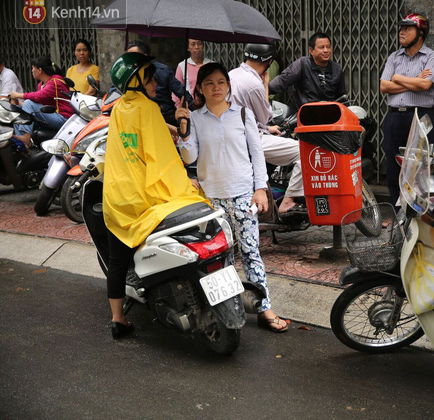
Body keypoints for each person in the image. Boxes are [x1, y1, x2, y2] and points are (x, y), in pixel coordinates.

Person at [175, 62, 289, 333]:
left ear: (228, 86)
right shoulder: (196, 118)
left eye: (221, 82)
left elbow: (257, 152)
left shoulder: (242, 114)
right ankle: (223, 309)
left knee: (250, 252)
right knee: (218, 257)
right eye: (209, 83)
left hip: (242, 195)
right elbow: (189, 157)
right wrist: (183, 127)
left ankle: (264, 308)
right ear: (200, 88)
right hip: (211, 199)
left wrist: (260, 187)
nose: (216, 88)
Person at [103, 52, 206, 339]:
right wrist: (183, 181)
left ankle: (118, 318)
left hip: (116, 196)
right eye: (149, 79)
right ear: (136, 81)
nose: (154, 85)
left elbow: (133, 142)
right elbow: (160, 156)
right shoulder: (147, 108)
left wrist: (174, 125)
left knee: (117, 261)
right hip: (142, 198)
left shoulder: (118, 108)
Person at [229, 44, 305, 215]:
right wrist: (265, 85)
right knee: (303, 152)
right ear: (269, 62)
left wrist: (268, 128)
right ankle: (288, 201)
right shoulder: (253, 83)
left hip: (237, 134)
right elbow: (265, 116)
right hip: (250, 138)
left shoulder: (232, 74)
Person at [380, 12, 434, 206]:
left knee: (420, 165)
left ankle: (416, 211)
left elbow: (425, 86)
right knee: (393, 164)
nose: (401, 32)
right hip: (394, 117)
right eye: (401, 28)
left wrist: (397, 78)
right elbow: (383, 86)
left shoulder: (431, 57)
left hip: (420, 116)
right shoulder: (394, 57)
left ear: (420, 32)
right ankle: (397, 211)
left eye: (407, 28)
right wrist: (414, 81)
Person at [268, 31, 346, 110]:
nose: (326, 50)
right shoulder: (303, 64)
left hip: (330, 114)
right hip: (306, 114)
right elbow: (283, 80)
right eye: (321, 47)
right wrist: (265, 91)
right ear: (311, 51)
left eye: (328, 47)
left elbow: (341, 96)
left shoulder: (336, 68)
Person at [9, 57, 74, 148]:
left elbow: (38, 96)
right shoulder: (42, 84)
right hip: (51, 115)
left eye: (33, 68)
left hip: (63, 118)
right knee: (17, 110)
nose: (32, 70)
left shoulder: (55, 81)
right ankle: (21, 142)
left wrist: (18, 95)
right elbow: (38, 106)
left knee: (28, 102)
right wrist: (18, 104)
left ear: (40, 70)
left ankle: (26, 137)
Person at [126, 40, 193, 125]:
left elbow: (181, 92)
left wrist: (196, 113)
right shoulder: (129, 74)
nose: (155, 84)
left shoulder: (162, 70)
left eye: (133, 57)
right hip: (141, 116)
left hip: (166, 115)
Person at [174, 38, 211, 105]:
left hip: (209, 104)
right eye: (193, 44)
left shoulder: (211, 64)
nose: (196, 47)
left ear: (203, 46)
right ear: (188, 48)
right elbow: (176, 88)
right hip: (190, 107)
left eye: (199, 44)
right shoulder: (182, 66)